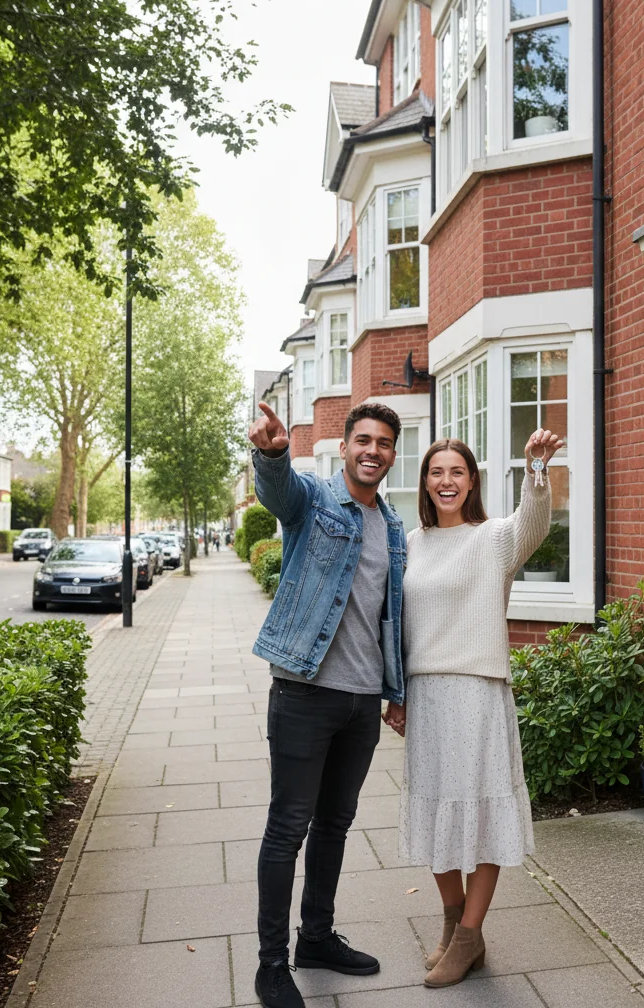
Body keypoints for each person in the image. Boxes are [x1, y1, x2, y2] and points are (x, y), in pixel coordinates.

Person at [387, 428, 563, 988]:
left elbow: (534, 524)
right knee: (436, 813)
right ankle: (454, 923)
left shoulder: (493, 540)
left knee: (483, 817)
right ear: (424, 482)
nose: (446, 482)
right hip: (428, 696)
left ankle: (467, 937)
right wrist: (395, 692)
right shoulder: (410, 543)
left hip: (479, 694)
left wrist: (536, 472)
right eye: (436, 472)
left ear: (472, 482)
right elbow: (394, 623)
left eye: (457, 472)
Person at [248, 400, 408, 1008]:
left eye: (385, 442)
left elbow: (390, 617)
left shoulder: (391, 528)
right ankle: (270, 964)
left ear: (393, 453)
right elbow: (279, 491)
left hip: (362, 700)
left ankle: (315, 937)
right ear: (344, 447)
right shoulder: (314, 501)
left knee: (336, 824)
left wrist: (395, 693)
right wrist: (270, 453)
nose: (373, 450)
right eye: (363, 439)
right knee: (288, 826)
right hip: (304, 691)